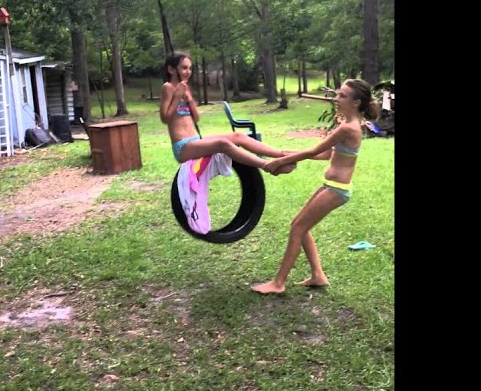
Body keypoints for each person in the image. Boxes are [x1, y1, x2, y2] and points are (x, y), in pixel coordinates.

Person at [251, 79, 375, 294]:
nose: (336, 98)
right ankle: (318, 276)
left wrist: (280, 161)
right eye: (337, 94)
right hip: (332, 186)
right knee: (300, 226)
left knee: (298, 228)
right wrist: (286, 154)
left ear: (356, 103)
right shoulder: (349, 124)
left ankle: (278, 283)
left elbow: (312, 151)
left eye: (342, 96)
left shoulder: (348, 128)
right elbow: (326, 154)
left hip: (336, 189)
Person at [160, 53, 294, 172]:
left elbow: (196, 118)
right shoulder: (168, 88)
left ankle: (282, 155)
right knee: (222, 144)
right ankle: (266, 165)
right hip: (183, 147)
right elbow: (165, 119)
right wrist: (177, 96)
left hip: (195, 140)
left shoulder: (185, 88)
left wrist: (189, 100)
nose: (188, 72)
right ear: (171, 69)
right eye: (184, 68)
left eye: (190, 68)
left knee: (238, 136)